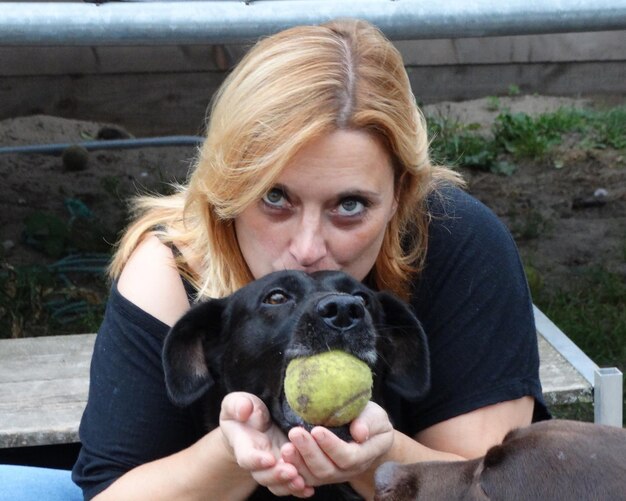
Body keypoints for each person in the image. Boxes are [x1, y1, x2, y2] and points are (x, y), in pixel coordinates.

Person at [67, 18, 549, 500]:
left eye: (350, 206)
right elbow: (111, 493)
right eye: (275, 198)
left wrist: (378, 460)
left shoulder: (458, 243)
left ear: (399, 197)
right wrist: (237, 455)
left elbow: (493, 490)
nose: (307, 248)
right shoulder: (173, 267)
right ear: (231, 187)